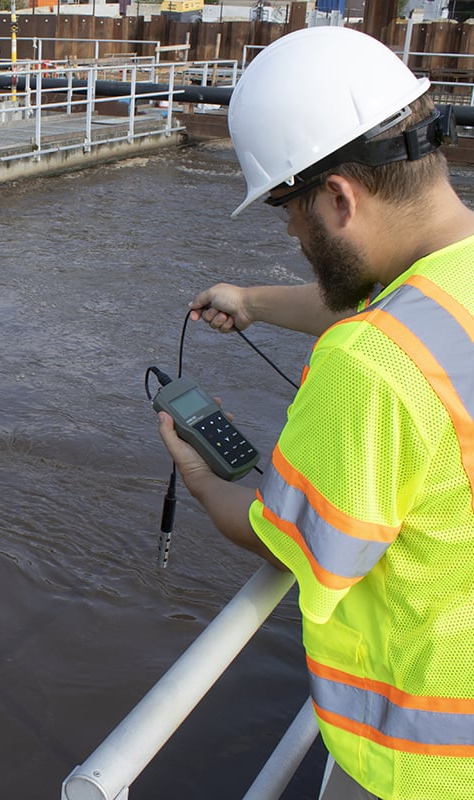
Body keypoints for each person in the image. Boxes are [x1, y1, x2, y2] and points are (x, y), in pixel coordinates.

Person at [155, 26, 474, 800]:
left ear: (338, 196)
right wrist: (254, 302)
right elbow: (406, 308)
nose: (293, 235)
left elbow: (290, 539)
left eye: (285, 212)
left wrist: (199, 478)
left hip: (425, 765)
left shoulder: (368, 365)